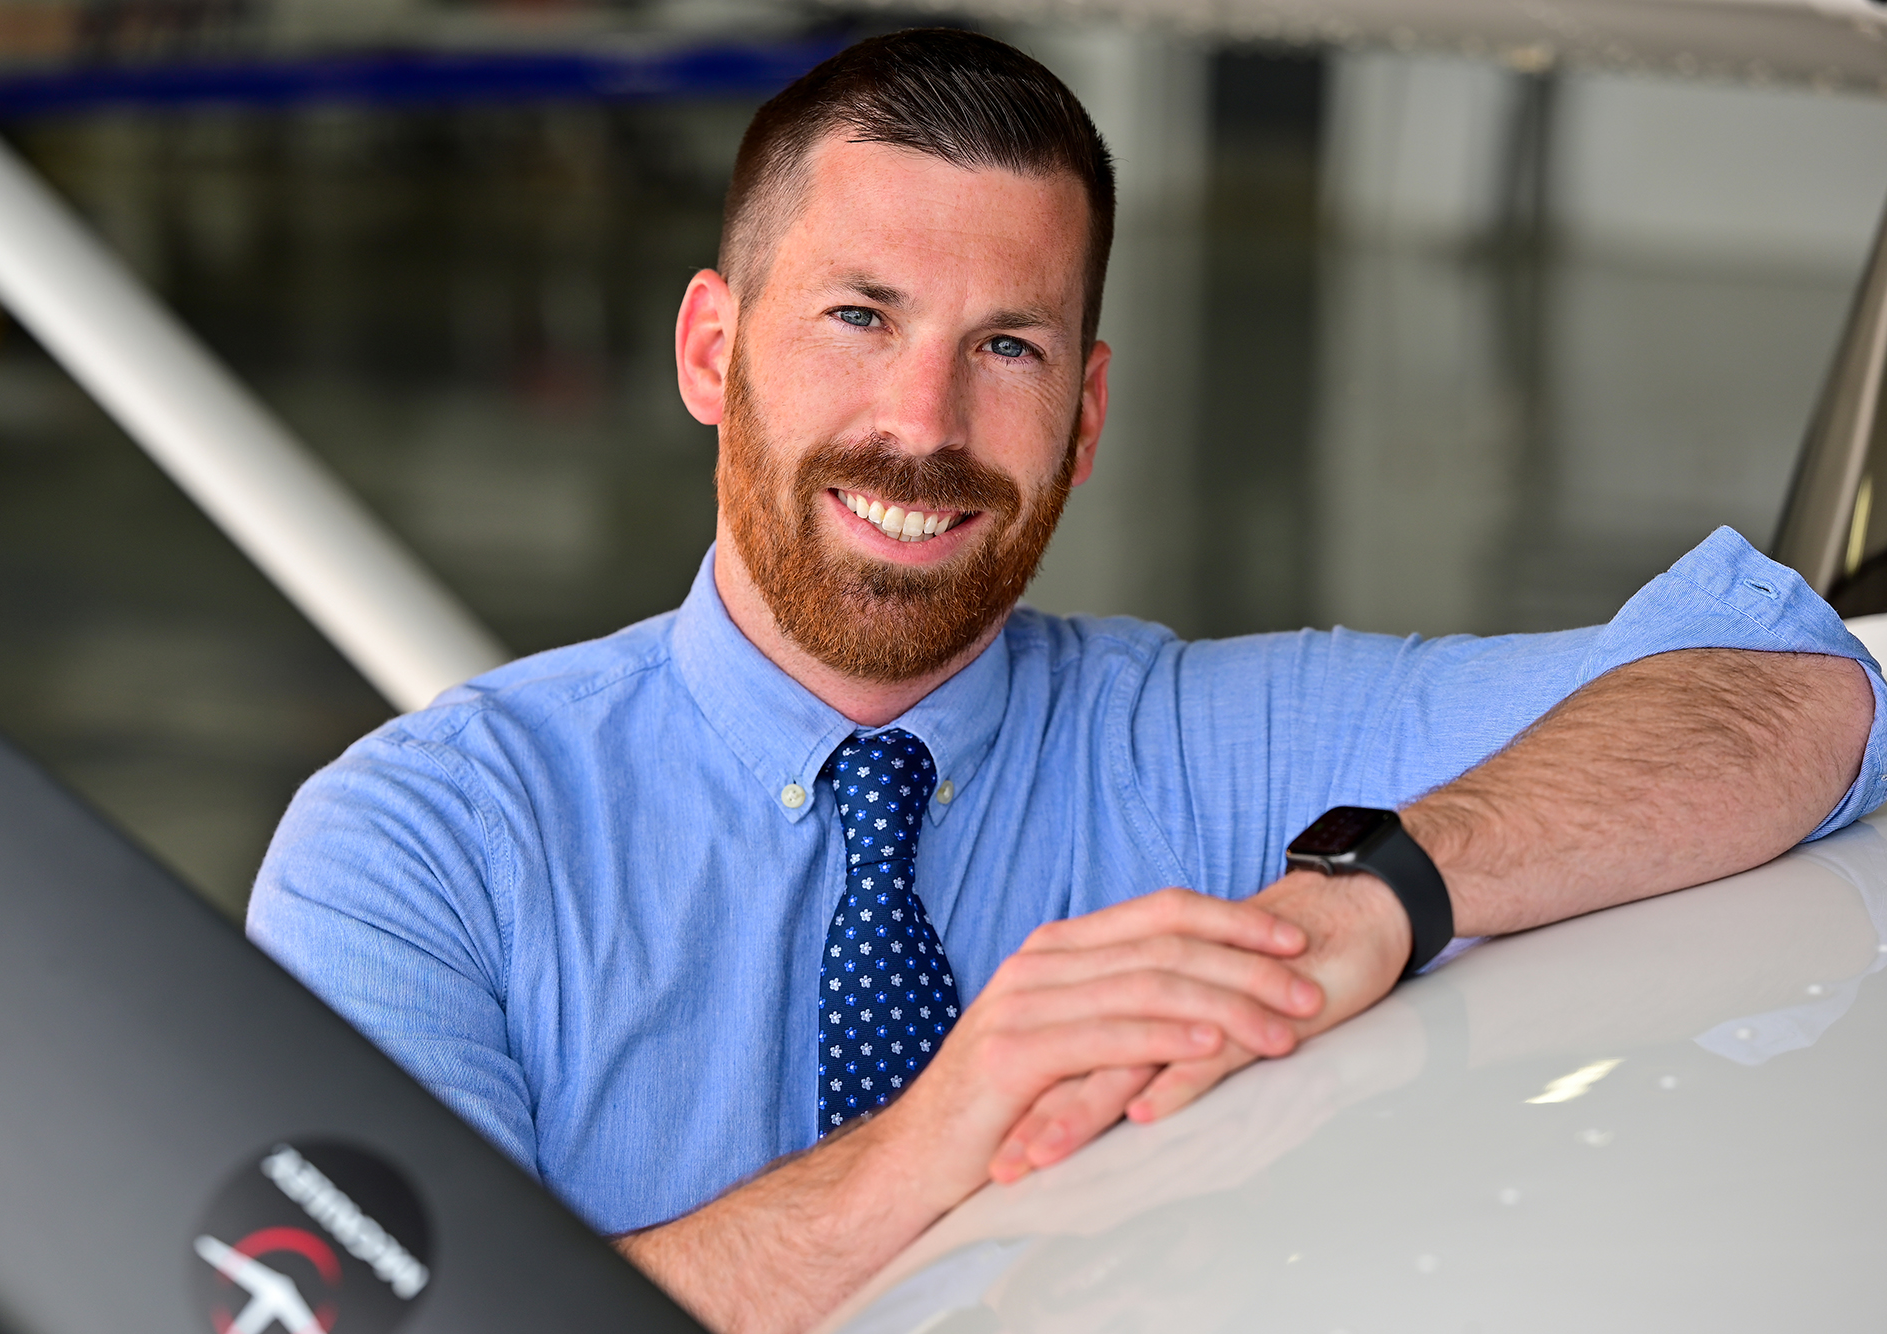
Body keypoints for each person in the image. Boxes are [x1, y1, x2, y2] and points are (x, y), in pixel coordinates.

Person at [246, 28, 1886, 1334]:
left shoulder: (1219, 749)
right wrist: (953, 1134)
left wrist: (1380, 890)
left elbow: (1797, 694)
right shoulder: (416, 850)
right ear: (707, 350)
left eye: (1008, 346)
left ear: (1087, 417)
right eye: (858, 315)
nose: (927, 421)